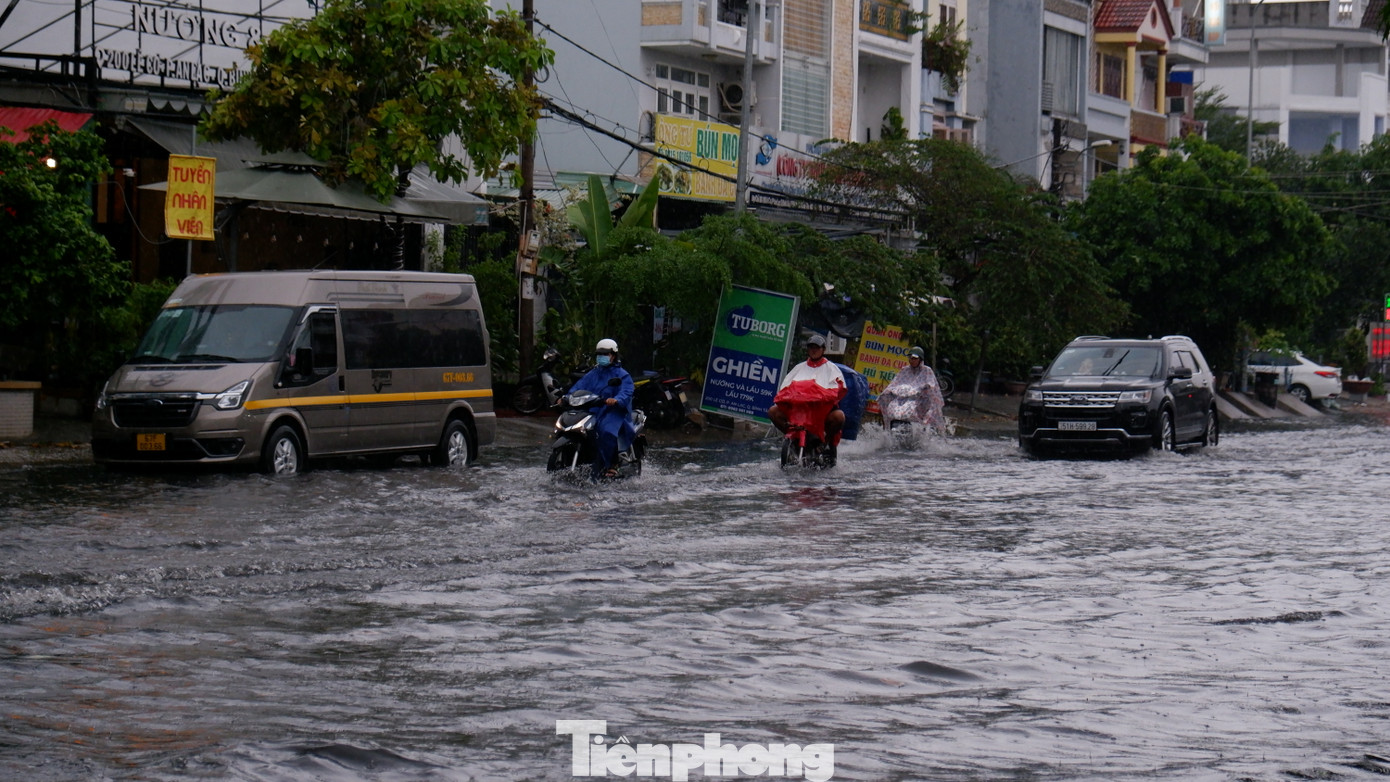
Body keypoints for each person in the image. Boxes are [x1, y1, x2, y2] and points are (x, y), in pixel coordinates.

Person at [768, 334, 847, 457]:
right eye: (811, 347)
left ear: (823, 349)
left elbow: (839, 389)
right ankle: (793, 438)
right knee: (773, 411)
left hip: (822, 412)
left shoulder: (832, 368)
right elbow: (784, 389)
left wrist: (820, 395)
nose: (814, 350)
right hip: (798, 411)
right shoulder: (799, 368)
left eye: (817, 347)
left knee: (839, 417)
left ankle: (824, 442)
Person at [568, 338, 636, 479]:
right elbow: (578, 387)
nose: (602, 357)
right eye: (599, 354)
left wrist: (616, 400)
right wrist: (565, 397)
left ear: (613, 355)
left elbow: (627, 390)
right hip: (593, 410)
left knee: (606, 432)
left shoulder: (622, 374)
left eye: (605, 354)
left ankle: (611, 465)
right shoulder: (593, 373)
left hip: (613, 412)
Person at [876, 346, 947, 435]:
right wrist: (888, 392)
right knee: (891, 409)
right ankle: (891, 430)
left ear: (920, 359)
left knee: (910, 411)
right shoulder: (904, 370)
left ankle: (919, 430)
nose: (912, 360)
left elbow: (932, 386)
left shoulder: (926, 371)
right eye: (910, 358)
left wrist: (924, 389)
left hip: (919, 400)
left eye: (915, 358)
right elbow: (895, 383)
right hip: (901, 399)